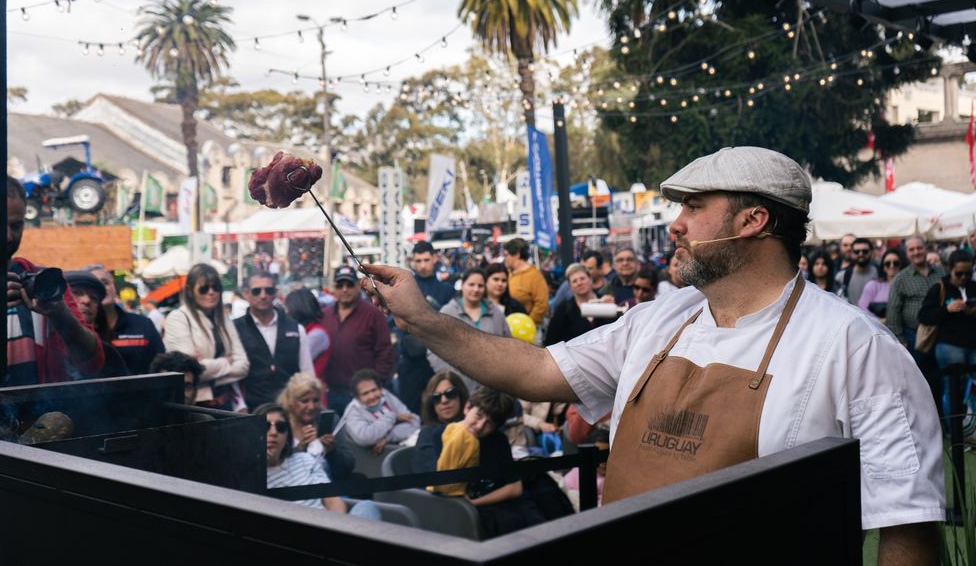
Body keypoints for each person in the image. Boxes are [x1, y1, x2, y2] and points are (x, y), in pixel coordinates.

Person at [363, 146, 944, 562]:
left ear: (753, 220)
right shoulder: (661, 317)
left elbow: (908, 527)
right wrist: (423, 319)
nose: (676, 224)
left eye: (694, 207)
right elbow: (538, 370)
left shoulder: (857, 346)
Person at [4, 175, 105, 386]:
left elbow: (92, 361)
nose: (9, 236)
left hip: (38, 415)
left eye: (16, 225)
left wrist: (59, 312)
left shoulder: (42, 282)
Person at [415, 387, 543, 537]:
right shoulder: (443, 435)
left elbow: (514, 488)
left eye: (489, 424)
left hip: (491, 500)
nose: (480, 426)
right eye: (478, 415)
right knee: (509, 526)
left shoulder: (498, 440)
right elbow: (442, 486)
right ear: (467, 407)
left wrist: (477, 502)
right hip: (466, 509)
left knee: (538, 523)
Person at [256, 403, 380, 520]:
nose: (273, 432)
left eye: (280, 427)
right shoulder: (251, 475)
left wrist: (337, 527)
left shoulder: (305, 460)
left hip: (329, 525)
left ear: (287, 434)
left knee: (367, 506)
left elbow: (333, 501)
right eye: (265, 426)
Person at [163, 263, 249, 410]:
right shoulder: (178, 318)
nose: (211, 292)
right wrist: (226, 362)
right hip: (194, 405)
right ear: (190, 291)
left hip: (226, 403)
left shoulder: (223, 318)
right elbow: (188, 372)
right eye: (204, 289)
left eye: (216, 287)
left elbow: (244, 366)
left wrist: (207, 370)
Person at [321, 266, 394, 415]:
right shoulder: (324, 315)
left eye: (349, 284)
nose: (345, 289)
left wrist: (374, 386)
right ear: (334, 287)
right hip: (331, 392)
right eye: (340, 285)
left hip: (363, 396)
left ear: (357, 286)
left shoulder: (373, 314)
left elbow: (385, 352)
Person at [233, 271, 307, 410]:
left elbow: (306, 373)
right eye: (256, 291)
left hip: (289, 409)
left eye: (268, 290)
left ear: (276, 293)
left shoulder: (296, 329)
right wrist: (239, 406)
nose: (263, 295)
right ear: (246, 294)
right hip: (251, 409)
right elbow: (232, 377)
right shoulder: (235, 328)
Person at [887, 236, 946, 413]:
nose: (916, 252)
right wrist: (900, 339)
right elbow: (893, 312)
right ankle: (927, 421)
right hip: (914, 336)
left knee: (942, 378)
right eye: (911, 250)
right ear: (907, 253)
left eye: (919, 248)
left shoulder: (941, 273)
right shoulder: (901, 278)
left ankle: (945, 420)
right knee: (921, 382)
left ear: (926, 248)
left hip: (941, 333)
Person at [397, 241, 456, 414]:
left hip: (438, 357)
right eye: (419, 261)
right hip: (411, 360)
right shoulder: (403, 289)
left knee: (442, 409)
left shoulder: (447, 291)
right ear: (413, 262)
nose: (422, 265)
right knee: (412, 410)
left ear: (434, 259)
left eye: (426, 260)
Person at [918, 249, 976, 424]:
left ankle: (972, 429)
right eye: (959, 273)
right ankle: (955, 432)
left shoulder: (973, 286)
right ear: (950, 269)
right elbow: (924, 316)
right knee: (952, 389)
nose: (964, 277)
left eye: (968, 272)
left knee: (974, 388)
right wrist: (947, 309)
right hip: (950, 345)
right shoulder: (940, 287)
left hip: (973, 344)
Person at [432, 268, 509, 393]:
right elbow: (433, 348)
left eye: (480, 286)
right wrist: (450, 376)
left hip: (492, 387)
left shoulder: (495, 313)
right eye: (471, 284)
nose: (476, 289)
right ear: (462, 285)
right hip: (458, 388)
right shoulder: (448, 312)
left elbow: (508, 343)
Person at [86, 265, 165, 376]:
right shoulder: (80, 331)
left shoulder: (143, 325)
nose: (101, 288)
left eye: (105, 283)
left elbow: (162, 367)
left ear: (114, 287)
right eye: (94, 284)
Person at [277, 372, 355, 481]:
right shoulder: (280, 422)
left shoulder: (330, 420)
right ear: (291, 401)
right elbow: (274, 466)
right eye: (304, 401)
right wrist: (300, 449)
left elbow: (349, 466)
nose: (311, 406)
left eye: (316, 400)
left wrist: (332, 452)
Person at [342, 368, 419, 454]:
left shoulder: (385, 394)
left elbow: (414, 421)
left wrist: (387, 438)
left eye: (374, 390)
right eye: (365, 393)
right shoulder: (352, 411)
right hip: (372, 459)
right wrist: (394, 417)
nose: (372, 396)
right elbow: (366, 438)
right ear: (357, 397)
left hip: (400, 449)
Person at [412, 370, 470, 473]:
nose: (444, 401)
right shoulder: (427, 433)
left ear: (461, 395)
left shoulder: (477, 426)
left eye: (450, 393)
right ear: (431, 404)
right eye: (436, 397)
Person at [544, 263, 613, 347]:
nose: (579, 283)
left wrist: (612, 309)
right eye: (574, 281)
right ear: (570, 286)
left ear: (590, 279)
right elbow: (551, 340)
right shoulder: (564, 309)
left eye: (582, 278)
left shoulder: (605, 302)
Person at [284, 288, 331, 379]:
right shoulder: (302, 330)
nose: (286, 312)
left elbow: (293, 360)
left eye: (288, 308)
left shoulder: (317, 334)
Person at [502, 237, 549, 325]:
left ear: (517, 255)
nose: (505, 258)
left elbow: (542, 304)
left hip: (526, 329)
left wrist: (528, 323)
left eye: (506, 255)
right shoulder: (507, 273)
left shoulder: (534, 275)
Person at [857, 248, 904, 322]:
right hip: (877, 328)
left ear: (901, 265)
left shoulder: (907, 286)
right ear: (883, 266)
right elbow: (862, 307)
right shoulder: (873, 285)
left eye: (896, 263)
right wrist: (878, 320)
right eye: (887, 263)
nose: (892, 266)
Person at [835, 238, 878, 305]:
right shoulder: (841, 276)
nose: (861, 254)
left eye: (865, 251)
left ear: (871, 252)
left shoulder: (880, 273)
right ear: (851, 253)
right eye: (856, 251)